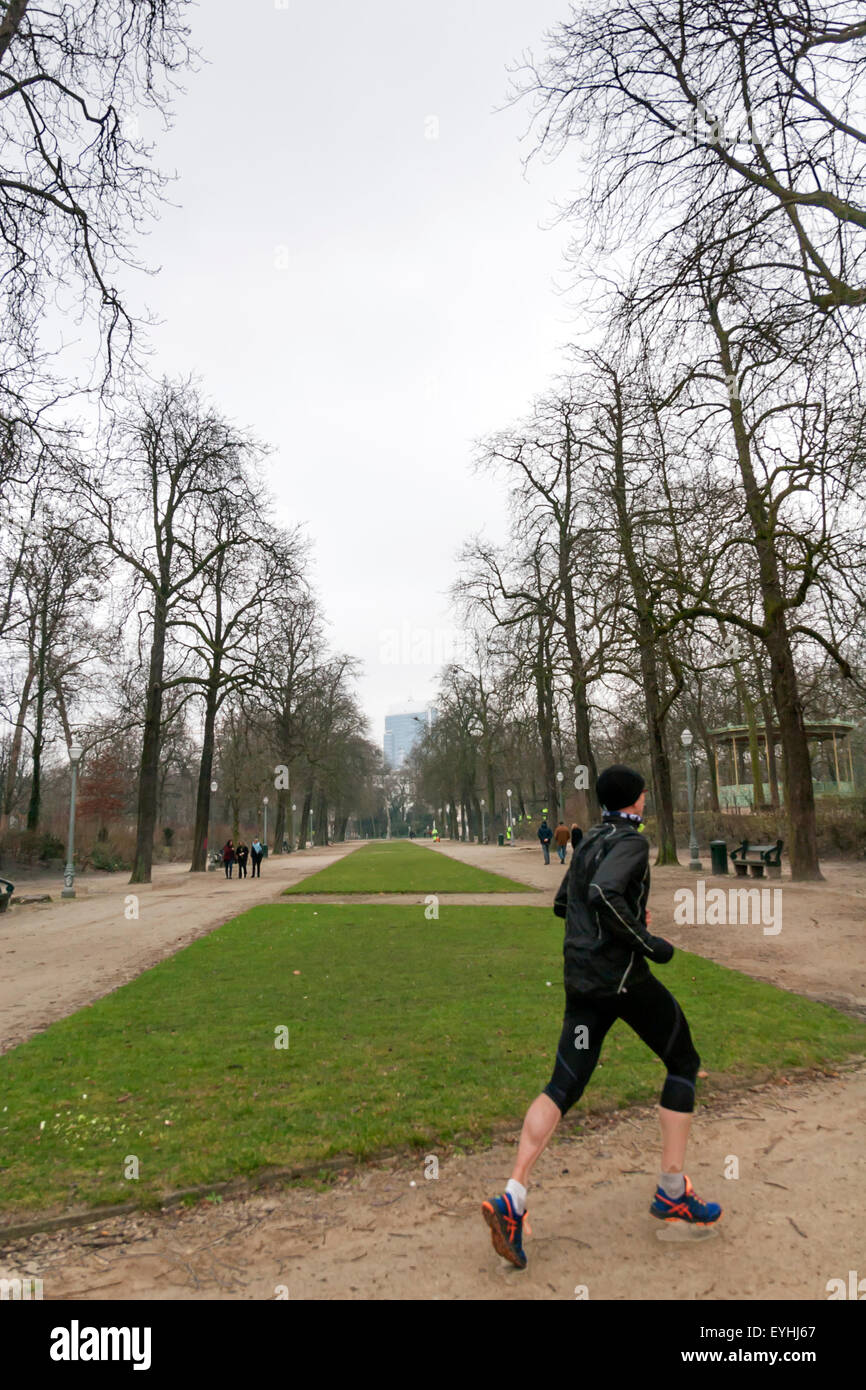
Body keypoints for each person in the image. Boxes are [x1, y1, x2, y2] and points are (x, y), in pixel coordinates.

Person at [482, 764, 721, 1270]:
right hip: (623, 983)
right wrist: (650, 942)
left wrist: (623, 916)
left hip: (582, 984)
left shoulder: (588, 841)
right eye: (644, 795)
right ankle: (672, 1191)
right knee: (683, 1059)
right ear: (636, 801)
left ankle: (513, 1198)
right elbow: (601, 896)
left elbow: (563, 902)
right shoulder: (631, 842)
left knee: (561, 1088)